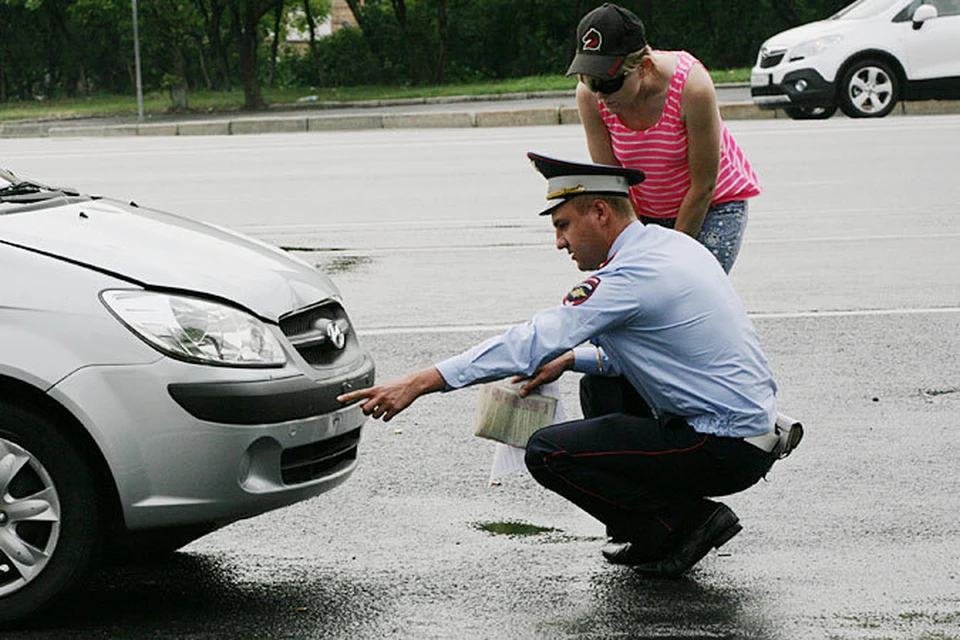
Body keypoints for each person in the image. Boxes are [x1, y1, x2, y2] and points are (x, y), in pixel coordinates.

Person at [338, 152, 796, 576]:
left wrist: (419, 382)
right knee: (597, 383)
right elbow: (640, 355)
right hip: (747, 435)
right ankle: (661, 519)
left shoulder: (628, 277)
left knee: (549, 452)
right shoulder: (668, 246)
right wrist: (569, 360)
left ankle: (679, 524)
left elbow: (529, 342)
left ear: (600, 212)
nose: (559, 242)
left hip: (720, 448)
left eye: (563, 225)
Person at [568, 3, 761, 273]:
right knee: (649, 297)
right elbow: (613, 182)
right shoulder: (590, 97)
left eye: (609, 83)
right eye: (589, 79)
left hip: (713, 206)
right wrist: (639, 243)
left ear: (644, 66)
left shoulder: (692, 88)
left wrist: (670, 256)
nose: (599, 93)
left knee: (688, 287)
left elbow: (703, 185)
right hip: (646, 210)